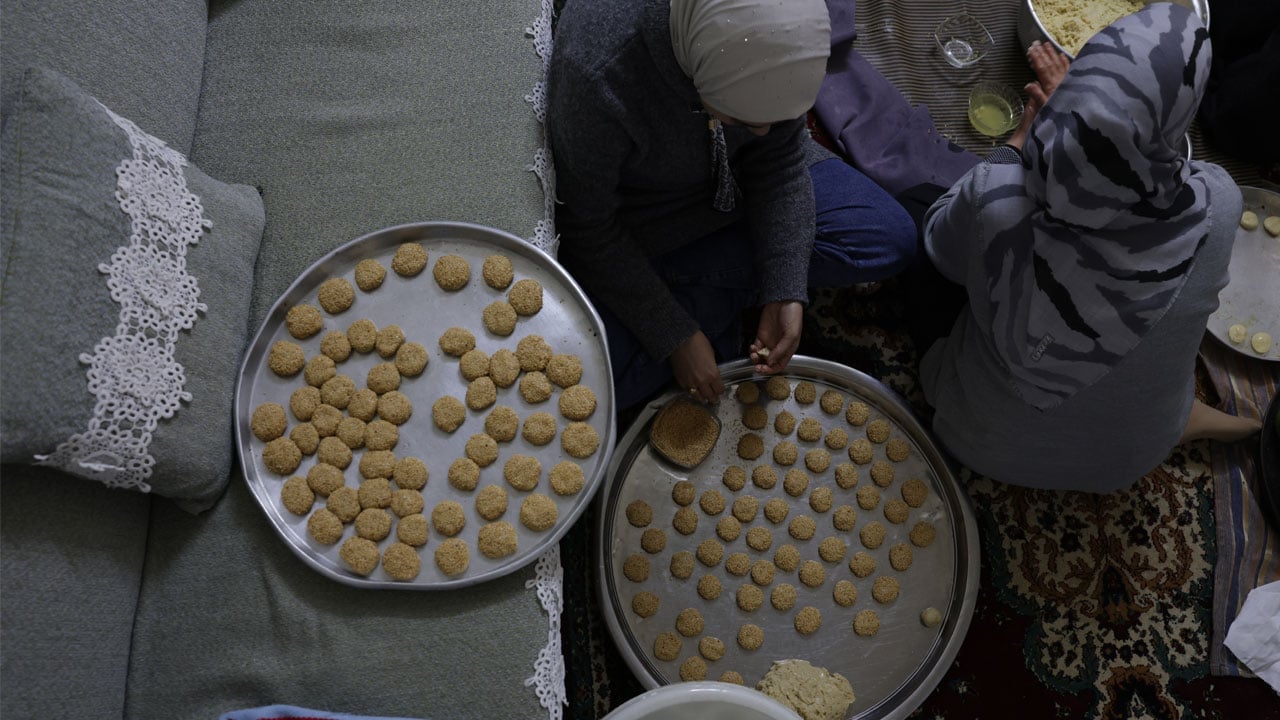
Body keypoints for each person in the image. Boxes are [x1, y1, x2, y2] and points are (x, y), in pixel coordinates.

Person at [917, 3, 1260, 493]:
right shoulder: (1221, 203)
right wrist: (1102, 124)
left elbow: (939, 246)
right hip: (1131, 462)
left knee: (931, 239)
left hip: (976, 440)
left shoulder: (994, 199)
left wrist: (1022, 141)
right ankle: (1187, 418)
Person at [546, 0, 916, 412]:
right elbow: (587, 228)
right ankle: (707, 300)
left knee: (886, 235)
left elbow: (780, 160)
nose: (763, 132)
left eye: (778, 118)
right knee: (577, 389)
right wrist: (674, 334)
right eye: (743, 121)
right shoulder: (597, 77)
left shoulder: (778, 30)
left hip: (737, 181)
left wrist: (785, 286)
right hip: (647, 214)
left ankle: (705, 299)